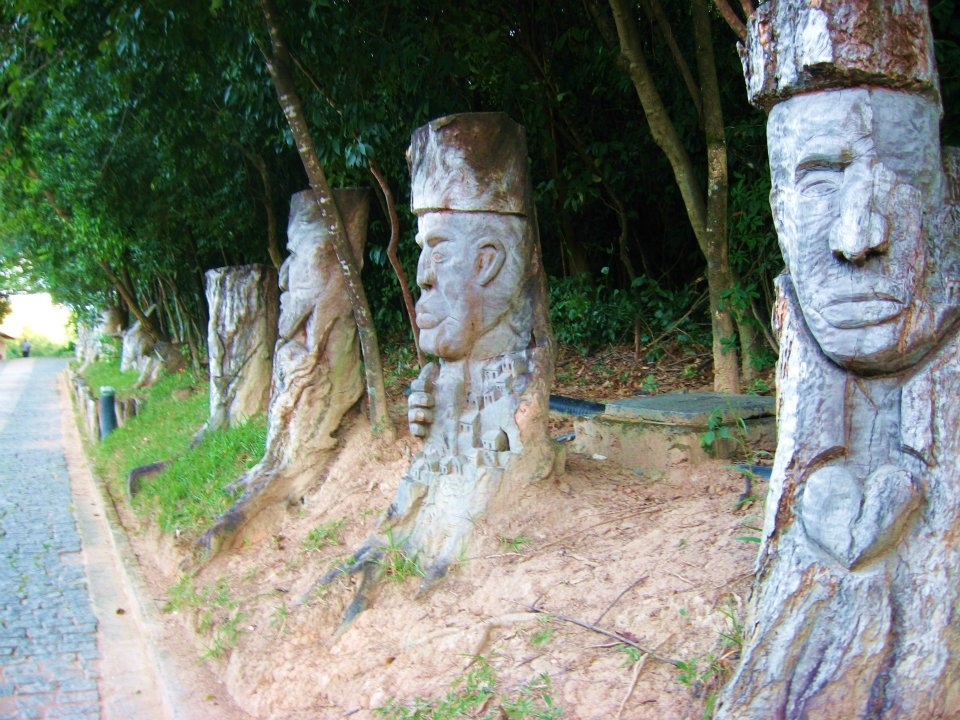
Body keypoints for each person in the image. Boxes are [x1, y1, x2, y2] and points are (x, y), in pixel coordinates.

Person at [716, 2, 960, 718]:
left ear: (947, 201)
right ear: (780, 211)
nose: (858, 238)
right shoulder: (808, 333)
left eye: (901, 178)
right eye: (819, 182)